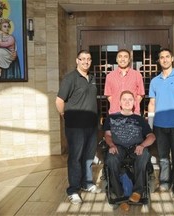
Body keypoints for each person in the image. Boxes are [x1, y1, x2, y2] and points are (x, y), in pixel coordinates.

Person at [55, 50, 101, 205]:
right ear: (77, 61)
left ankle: (87, 183)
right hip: (75, 127)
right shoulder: (70, 78)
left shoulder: (92, 78)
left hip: (91, 126)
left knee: (88, 156)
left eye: (88, 59)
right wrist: (64, 115)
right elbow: (60, 100)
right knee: (75, 158)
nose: (86, 62)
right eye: (83, 59)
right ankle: (73, 190)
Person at [148, 48, 174, 201]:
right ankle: (165, 183)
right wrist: (150, 127)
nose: (164, 59)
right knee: (163, 158)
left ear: (172, 59)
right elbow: (152, 104)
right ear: (159, 60)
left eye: (167, 57)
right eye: (161, 57)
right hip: (159, 126)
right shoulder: (154, 81)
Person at [103, 90, 156, 211]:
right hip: (118, 147)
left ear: (134, 103)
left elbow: (152, 137)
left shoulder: (140, 119)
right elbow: (107, 135)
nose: (127, 102)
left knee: (144, 154)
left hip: (135, 147)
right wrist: (111, 145)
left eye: (130, 100)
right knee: (111, 159)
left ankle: (137, 192)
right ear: (120, 102)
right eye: (124, 99)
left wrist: (142, 145)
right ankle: (120, 195)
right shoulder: (111, 117)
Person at [104, 49, 145, 115]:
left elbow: (140, 94)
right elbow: (109, 95)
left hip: (133, 113)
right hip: (115, 112)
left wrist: (131, 105)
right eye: (120, 57)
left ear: (129, 60)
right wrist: (116, 104)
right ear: (116, 59)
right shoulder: (110, 76)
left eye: (125, 57)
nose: (122, 59)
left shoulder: (137, 75)